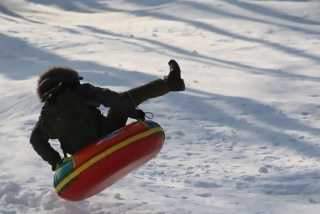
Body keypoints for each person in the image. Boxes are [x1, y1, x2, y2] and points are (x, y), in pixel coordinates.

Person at [30, 59, 185, 171]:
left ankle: (172, 83)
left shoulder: (46, 114)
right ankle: (171, 83)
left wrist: (56, 162)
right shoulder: (79, 91)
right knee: (125, 98)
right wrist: (134, 113)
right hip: (105, 135)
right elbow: (111, 98)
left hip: (82, 156)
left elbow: (36, 140)